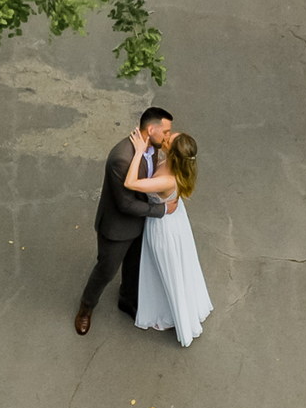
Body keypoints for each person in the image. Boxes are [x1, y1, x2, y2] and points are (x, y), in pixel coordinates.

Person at [75, 107, 175, 335]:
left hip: (143, 221)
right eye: (166, 131)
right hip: (118, 228)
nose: (168, 136)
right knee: (106, 270)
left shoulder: (153, 147)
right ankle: (86, 308)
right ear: (151, 129)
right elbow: (126, 204)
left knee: (135, 265)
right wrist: (161, 209)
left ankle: (127, 300)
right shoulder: (121, 158)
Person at [121, 127, 213, 346]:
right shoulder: (177, 166)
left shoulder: (167, 180)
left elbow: (130, 183)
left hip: (163, 227)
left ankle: (168, 311)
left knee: (165, 267)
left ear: (172, 155)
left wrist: (138, 152)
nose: (166, 137)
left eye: (169, 140)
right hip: (176, 219)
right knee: (177, 265)